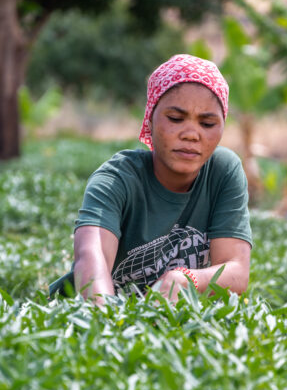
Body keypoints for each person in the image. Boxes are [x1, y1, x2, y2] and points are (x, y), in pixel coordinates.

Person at [49, 54, 253, 305]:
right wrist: (106, 322)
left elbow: (236, 272)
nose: (191, 134)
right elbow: (92, 258)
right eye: (176, 119)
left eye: (207, 123)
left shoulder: (223, 171)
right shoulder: (116, 179)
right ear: (150, 118)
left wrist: (185, 280)